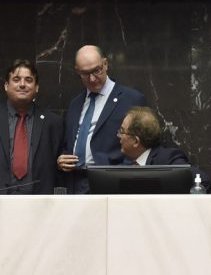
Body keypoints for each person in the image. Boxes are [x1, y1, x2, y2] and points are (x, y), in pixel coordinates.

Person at [0, 60, 65, 194]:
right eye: (16, 79)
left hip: (40, 201)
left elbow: (62, 165)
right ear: (6, 86)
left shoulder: (53, 122)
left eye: (29, 80)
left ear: (37, 87)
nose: (22, 84)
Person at [57, 45, 147, 193]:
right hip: (75, 183)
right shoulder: (75, 104)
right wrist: (62, 159)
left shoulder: (131, 99)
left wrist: (122, 174)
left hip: (112, 183)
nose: (92, 79)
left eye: (96, 70)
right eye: (85, 73)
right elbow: (68, 143)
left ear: (105, 64)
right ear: (77, 71)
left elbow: (143, 147)